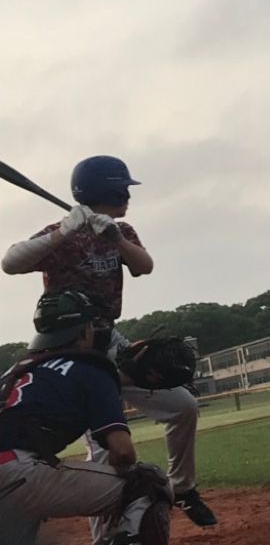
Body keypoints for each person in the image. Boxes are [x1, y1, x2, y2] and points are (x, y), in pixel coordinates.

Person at [0, 156, 217, 531]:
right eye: (123, 190)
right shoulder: (62, 233)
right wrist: (65, 232)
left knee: (182, 405)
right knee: (105, 450)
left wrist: (114, 237)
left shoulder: (121, 231)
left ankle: (183, 488)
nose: (128, 197)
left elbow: (144, 266)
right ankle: (106, 537)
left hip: (110, 338)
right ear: (107, 190)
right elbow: (10, 262)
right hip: (71, 346)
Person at [0, 290, 172, 545]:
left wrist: (123, 375)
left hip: (14, 473)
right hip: (17, 472)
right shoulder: (91, 369)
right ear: (84, 332)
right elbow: (123, 452)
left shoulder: (17, 370)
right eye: (92, 325)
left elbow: (64, 384)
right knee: (148, 484)